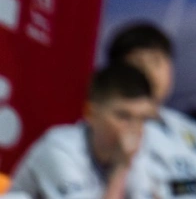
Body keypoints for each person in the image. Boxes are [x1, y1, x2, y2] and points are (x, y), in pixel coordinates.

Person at [106, 23, 196, 199]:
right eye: (137, 64)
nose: (149, 73)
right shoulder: (104, 130)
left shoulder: (193, 130)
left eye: (156, 62)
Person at [9, 63, 161, 199]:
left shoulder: (134, 156)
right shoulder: (59, 149)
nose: (135, 128)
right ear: (90, 113)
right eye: (123, 116)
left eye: (143, 119)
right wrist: (120, 168)